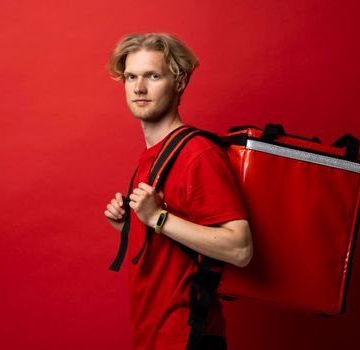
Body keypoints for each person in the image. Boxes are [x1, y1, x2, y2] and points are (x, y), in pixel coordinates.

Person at [104, 33, 253, 350]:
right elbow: (171, 246)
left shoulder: (196, 154)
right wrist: (131, 226)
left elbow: (240, 248)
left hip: (188, 336)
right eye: (131, 77)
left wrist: (157, 217)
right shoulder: (156, 155)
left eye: (152, 76)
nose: (139, 88)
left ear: (180, 82)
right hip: (155, 335)